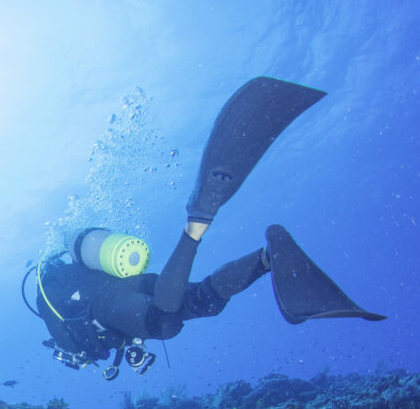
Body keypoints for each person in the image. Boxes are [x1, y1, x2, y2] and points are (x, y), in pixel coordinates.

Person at [27, 77, 385, 380]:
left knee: (163, 323)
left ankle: (197, 222)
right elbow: (123, 323)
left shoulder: (55, 318)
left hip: (102, 303)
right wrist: (133, 345)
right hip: (123, 287)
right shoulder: (59, 285)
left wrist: (79, 352)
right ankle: (267, 257)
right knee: (201, 302)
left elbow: (89, 325)